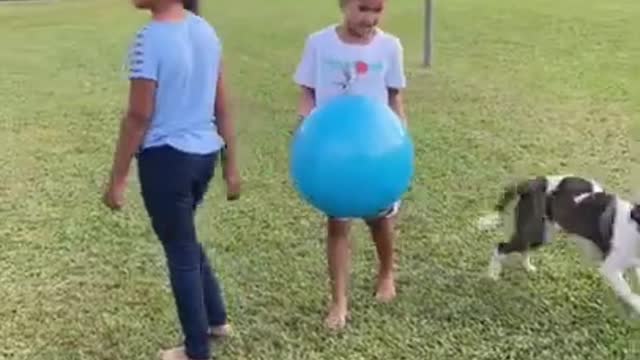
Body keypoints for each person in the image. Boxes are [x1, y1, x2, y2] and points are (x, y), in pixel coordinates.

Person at [102, 0, 240, 358]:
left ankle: (196, 350)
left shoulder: (149, 39)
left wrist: (117, 178)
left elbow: (137, 115)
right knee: (184, 238)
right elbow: (222, 105)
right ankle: (217, 319)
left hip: (167, 161)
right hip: (203, 158)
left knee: (179, 249)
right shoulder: (204, 30)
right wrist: (230, 164)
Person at [292, 0, 408, 330]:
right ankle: (339, 302)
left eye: (377, 10)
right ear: (343, 5)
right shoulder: (319, 43)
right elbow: (308, 93)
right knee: (337, 225)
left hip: (378, 153)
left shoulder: (389, 47)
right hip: (335, 155)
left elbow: (394, 97)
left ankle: (387, 271)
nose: (370, 18)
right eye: (362, 9)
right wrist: (303, 130)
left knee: (380, 221)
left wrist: (403, 140)